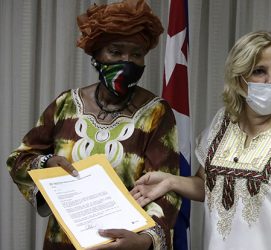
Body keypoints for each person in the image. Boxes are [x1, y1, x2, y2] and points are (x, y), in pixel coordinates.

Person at [131, 31, 271, 250]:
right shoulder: (223, 122)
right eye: (259, 71)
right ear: (239, 78)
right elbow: (208, 184)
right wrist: (170, 181)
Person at [6, 0, 181, 249]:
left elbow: (166, 188)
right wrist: (47, 164)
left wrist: (144, 241)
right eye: (116, 52)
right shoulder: (66, 104)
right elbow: (20, 160)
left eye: (136, 54)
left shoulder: (156, 113)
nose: (126, 62)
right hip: (63, 241)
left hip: (126, 242)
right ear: (96, 55)